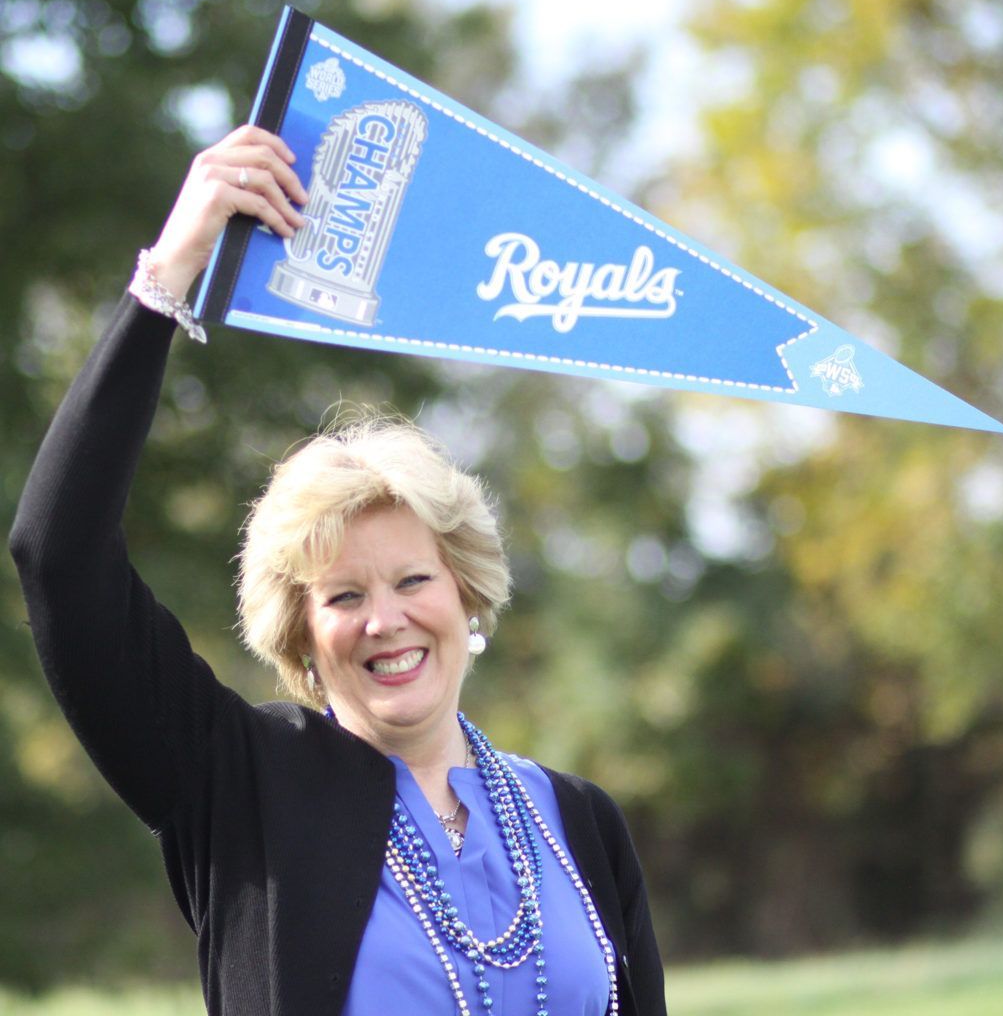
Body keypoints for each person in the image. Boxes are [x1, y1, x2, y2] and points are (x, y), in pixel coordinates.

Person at [10, 125, 665, 1016]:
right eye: (344, 595)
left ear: (466, 594)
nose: (384, 620)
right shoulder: (238, 787)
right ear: (304, 635)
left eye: (412, 581)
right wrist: (169, 274)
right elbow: (58, 555)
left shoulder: (581, 822)